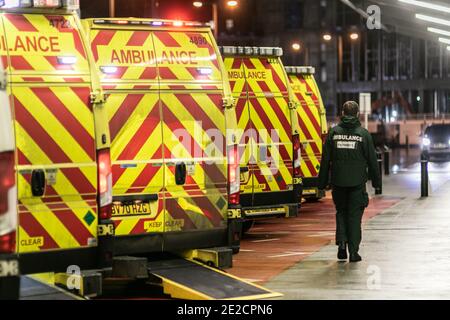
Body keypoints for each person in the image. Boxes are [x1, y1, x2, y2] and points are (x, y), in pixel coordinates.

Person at [318, 101, 381, 262]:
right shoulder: (363, 134)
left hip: (338, 183)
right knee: (354, 216)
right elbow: (373, 161)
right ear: (358, 114)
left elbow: (325, 160)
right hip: (357, 184)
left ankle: (341, 245)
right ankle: (353, 252)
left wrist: (322, 183)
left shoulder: (333, 133)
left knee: (341, 212)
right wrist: (376, 183)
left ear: (342, 113)